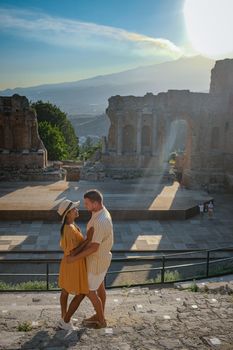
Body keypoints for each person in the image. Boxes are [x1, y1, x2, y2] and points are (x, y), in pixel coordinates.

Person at [66, 189, 114, 328]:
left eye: (87, 203)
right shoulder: (101, 212)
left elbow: (94, 247)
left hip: (96, 261)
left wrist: (73, 258)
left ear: (95, 203)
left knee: (89, 291)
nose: (85, 206)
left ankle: (101, 320)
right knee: (100, 288)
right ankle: (99, 316)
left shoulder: (100, 220)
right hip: (102, 259)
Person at [57, 199, 93, 331]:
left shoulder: (69, 225)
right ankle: (66, 321)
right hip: (73, 264)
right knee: (82, 292)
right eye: (74, 209)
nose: (77, 210)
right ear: (68, 214)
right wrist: (87, 240)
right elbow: (72, 253)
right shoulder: (70, 229)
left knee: (65, 290)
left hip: (68, 264)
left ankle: (63, 318)